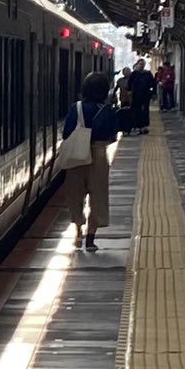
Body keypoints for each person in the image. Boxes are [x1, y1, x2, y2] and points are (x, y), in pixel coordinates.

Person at [60, 71, 122, 252]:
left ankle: (78, 232)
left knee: (75, 194)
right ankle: (91, 239)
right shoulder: (108, 110)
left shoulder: (77, 108)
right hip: (99, 155)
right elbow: (113, 135)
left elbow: (66, 133)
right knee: (98, 196)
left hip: (77, 155)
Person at [125, 61, 156, 134]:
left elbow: (152, 84)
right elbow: (129, 84)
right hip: (135, 96)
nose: (141, 66)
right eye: (140, 64)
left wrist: (153, 93)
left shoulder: (147, 74)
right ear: (137, 65)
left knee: (145, 111)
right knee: (136, 111)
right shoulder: (133, 74)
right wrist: (129, 91)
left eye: (143, 64)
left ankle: (144, 126)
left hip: (145, 95)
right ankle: (136, 126)